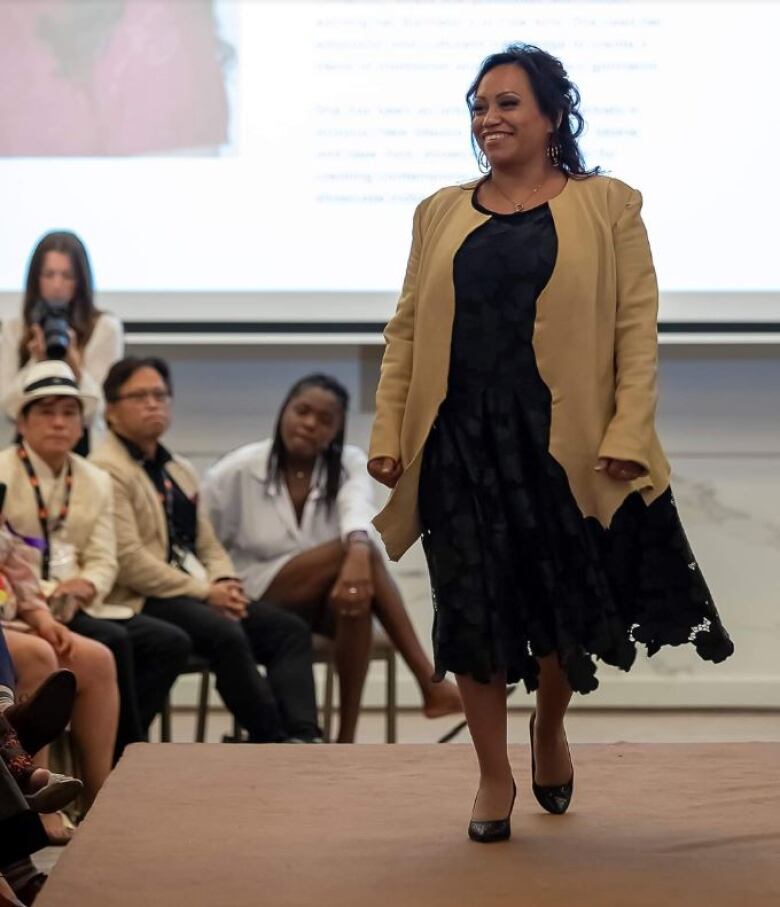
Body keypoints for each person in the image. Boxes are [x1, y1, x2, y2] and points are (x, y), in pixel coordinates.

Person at [367, 44, 734, 842]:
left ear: (552, 114)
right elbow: (405, 332)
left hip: (562, 442)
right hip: (460, 440)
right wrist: (389, 431)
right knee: (472, 605)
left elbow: (637, 329)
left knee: (562, 605)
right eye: (478, 106)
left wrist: (629, 429)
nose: (488, 119)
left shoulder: (609, 204)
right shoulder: (438, 210)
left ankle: (549, 727)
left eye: (506, 104)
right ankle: (492, 775)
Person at [202, 374, 462, 743]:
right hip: (253, 596)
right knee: (358, 552)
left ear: (337, 429)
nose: (310, 424)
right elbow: (203, 539)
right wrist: (357, 548)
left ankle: (346, 739)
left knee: (355, 602)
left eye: (325, 420)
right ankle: (430, 683)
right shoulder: (238, 469)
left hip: (323, 599)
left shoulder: (347, 463)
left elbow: (357, 507)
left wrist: (356, 551)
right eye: (302, 411)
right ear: (283, 412)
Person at [91, 357, 321, 743]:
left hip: (195, 590)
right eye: (140, 396)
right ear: (111, 411)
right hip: (139, 596)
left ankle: (306, 737)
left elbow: (207, 542)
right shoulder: (105, 469)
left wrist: (225, 580)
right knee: (224, 633)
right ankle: (274, 740)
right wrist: (205, 592)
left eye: (160, 395)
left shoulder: (176, 467)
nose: (153, 404)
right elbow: (129, 561)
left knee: (288, 630)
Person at [0, 360, 186, 778]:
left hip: (82, 600)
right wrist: (49, 597)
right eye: (47, 412)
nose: (59, 424)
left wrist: (86, 585)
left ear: (83, 425)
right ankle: (119, 764)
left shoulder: (94, 478)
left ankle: (117, 768)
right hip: (27, 603)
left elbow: (106, 556)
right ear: (23, 422)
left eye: (69, 414)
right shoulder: (4, 472)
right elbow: (11, 561)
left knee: (166, 641)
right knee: (113, 642)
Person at [0, 230, 124, 453]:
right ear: (35, 279)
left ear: (80, 281)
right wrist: (36, 364)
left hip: (85, 450)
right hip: (26, 451)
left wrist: (77, 370)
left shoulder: (104, 328)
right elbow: (9, 408)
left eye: (67, 276)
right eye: (49, 275)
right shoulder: (14, 329)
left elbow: (99, 411)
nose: (57, 285)